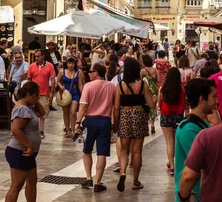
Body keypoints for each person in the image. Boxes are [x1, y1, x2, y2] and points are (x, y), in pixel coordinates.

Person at [174, 78, 218, 202]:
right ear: (202, 99)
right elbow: (204, 163)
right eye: (214, 96)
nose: (216, 101)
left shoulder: (201, 123)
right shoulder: (189, 129)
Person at [3, 82, 45, 202]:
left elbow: (42, 112)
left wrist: (34, 100)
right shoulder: (22, 109)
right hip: (20, 152)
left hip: (27, 153)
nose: (38, 98)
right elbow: (15, 130)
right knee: (16, 185)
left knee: (32, 181)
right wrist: (29, 144)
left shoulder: (28, 107)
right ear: (28, 95)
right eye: (36, 95)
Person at [114, 57, 156, 192]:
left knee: (124, 150)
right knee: (137, 151)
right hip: (139, 115)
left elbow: (116, 107)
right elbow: (151, 104)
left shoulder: (120, 85)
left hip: (125, 116)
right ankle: (136, 181)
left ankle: (123, 173)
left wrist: (115, 123)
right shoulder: (142, 85)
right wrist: (155, 96)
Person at [76, 63, 117, 192]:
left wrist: (77, 122)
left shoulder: (88, 86)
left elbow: (83, 106)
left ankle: (89, 177)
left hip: (90, 121)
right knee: (102, 153)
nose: (88, 73)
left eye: (91, 71)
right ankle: (98, 182)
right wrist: (113, 123)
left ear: (97, 73)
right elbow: (114, 107)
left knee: (87, 150)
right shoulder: (111, 87)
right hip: (104, 121)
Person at [158, 67, 186, 176]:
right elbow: (184, 103)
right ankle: (175, 163)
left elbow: (159, 103)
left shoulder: (163, 88)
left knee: (169, 142)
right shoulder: (181, 88)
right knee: (176, 141)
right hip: (178, 116)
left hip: (166, 115)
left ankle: (171, 165)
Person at [27, 49, 56, 139]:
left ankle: (41, 130)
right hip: (33, 93)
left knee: (42, 112)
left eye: (38, 56)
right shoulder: (32, 66)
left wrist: (52, 92)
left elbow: (52, 79)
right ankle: (33, 129)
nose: (36, 58)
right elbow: (29, 79)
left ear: (43, 56)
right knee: (32, 111)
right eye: (35, 56)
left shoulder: (50, 66)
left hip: (44, 92)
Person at [56, 57, 85, 138]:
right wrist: (60, 86)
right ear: (67, 64)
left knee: (73, 112)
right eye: (69, 63)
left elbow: (80, 85)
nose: (71, 65)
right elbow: (57, 81)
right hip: (65, 94)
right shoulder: (62, 72)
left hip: (75, 93)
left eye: (72, 63)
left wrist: (83, 95)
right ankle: (67, 130)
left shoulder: (79, 73)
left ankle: (73, 129)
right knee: (65, 112)